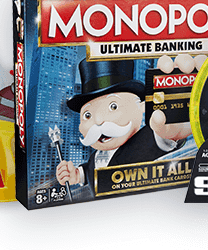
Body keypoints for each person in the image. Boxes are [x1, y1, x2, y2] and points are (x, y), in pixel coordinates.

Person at [56, 59, 191, 190]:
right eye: (88, 115)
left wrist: (174, 122)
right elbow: (92, 170)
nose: (98, 121)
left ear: (141, 107)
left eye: (113, 107)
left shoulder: (146, 138)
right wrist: (77, 175)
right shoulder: (96, 156)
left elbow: (163, 136)